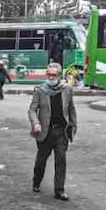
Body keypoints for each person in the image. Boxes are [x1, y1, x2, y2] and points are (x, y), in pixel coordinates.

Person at [28, 63, 77, 201]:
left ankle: (59, 190)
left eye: (54, 75)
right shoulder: (40, 90)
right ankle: (36, 181)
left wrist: (73, 125)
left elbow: (71, 108)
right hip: (45, 132)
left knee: (61, 159)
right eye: (48, 75)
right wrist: (36, 123)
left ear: (59, 76)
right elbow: (32, 109)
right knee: (41, 160)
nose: (51, 77)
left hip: (61, 131)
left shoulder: (67, 89)